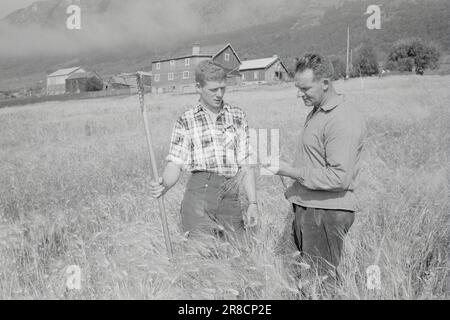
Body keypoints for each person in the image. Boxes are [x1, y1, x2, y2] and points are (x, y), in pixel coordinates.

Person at [264, 53, 366, 279]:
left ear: (326, 83)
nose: (300, 95)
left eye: (305, 89)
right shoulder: (318, 112)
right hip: (310, 209)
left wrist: (289, 171)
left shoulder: (341, 119)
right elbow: (316, 163)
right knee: (308, 281)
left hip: (326, 212)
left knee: (320, 285)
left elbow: (339, 178)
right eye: (298, 88)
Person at [149, 60, 258, 240]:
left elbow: (246, 162)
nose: (219, 94)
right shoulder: (186, 120)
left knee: (238, 254)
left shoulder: (237, 116)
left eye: (222, 88)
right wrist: (164, 185)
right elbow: (175, 162)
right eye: (213, 90)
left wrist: (253, 202)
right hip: (199, 195)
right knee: (202, 256)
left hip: (231, 195)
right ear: (198, 87)